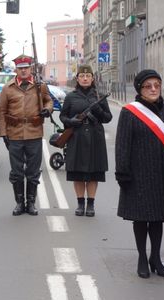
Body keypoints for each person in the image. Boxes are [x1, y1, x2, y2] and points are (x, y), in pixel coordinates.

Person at [115, 69, 164, 279]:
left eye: (157, 85)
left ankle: (155, 258)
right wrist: (123, 173)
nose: (153, 89)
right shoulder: (130, 112)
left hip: (163, 175)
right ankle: (142, 257)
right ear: (140, 89)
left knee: (158, 219)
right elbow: (122, 145)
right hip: (138, 175)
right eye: (148, 86)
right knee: (141, 219)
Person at [0, 54, 53, 216]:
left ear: (31, 69)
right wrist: (3, 133)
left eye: (26, 68)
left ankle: (31, 203)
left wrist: (47, 109)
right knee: (16, 172)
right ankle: (19, 203)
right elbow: (1, 113)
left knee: (33, 171)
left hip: (34, 133)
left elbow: (49, 100)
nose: (23, 71)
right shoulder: (8, 88)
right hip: (14, 135)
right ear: (16, 69)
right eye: (20, 68)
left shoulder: (39, 86)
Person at [59, 64, 112, 217]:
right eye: (82, 76)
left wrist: (98, 110)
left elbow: (108, 118)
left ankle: (91, 205)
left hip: (95, 137)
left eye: (88, 76)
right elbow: (63, 116)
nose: (85, 78)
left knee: (94, 173)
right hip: (77, 137)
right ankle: (80, 203)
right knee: (78, 173)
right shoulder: (71, 96)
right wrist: (71, 121)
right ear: (77, 78)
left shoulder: (99, 96)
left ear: (92, 78)